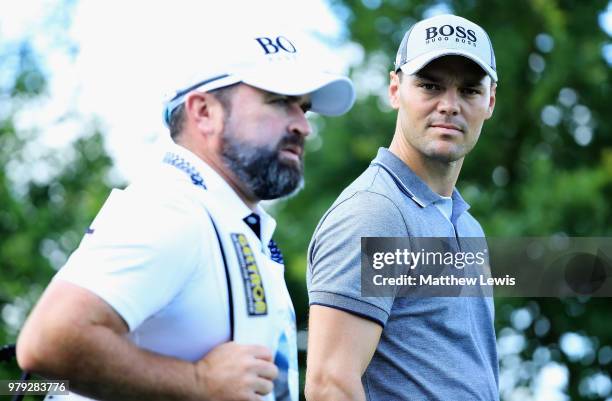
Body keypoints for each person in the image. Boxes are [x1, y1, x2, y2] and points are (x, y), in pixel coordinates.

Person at [16, 27, 355, 401]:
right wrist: (198, 382)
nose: (303, 126)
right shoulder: (171, 207)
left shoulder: (224, 217)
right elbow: (48, 343)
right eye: (279, 101)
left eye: (304, 107)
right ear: (204, 112)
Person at [305, 14, 499, 401]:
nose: (450, 105)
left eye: (469, 91)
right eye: (430, 85)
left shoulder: (467, 224)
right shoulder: (375, 212)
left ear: (490, 101)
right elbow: (330, 385)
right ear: (395, 89)